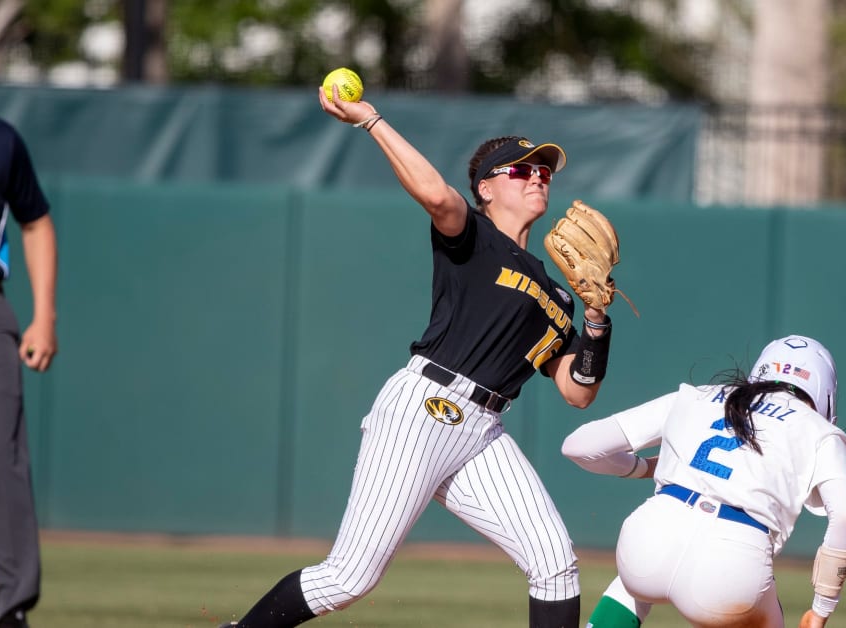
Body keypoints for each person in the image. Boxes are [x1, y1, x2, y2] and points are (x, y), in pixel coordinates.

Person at [218, 85, 618, 628]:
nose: (538, 177)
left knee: (555, 564)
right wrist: (371, 120)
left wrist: (596, 322)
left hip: (483, 431)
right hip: (426, 406)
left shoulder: (559, 294)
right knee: (349, 578)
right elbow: (435, 196)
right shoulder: (474, 236)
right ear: (485, 188)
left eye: (544, 171)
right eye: (523, 170)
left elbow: (577, 390)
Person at [561, 335, 846, 628]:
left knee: (635, 579)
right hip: (733, 562)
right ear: (825, 394)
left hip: (651, 534)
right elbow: (845, 519)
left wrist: (641, 468)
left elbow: (579, 446)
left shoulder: (697, 395)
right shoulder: (820, 432)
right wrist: (821, 609)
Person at [0, 115, 59, 628]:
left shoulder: (1, 139)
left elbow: (34, 222)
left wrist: (43, 317)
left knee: (1, 455)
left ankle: (11, 609)